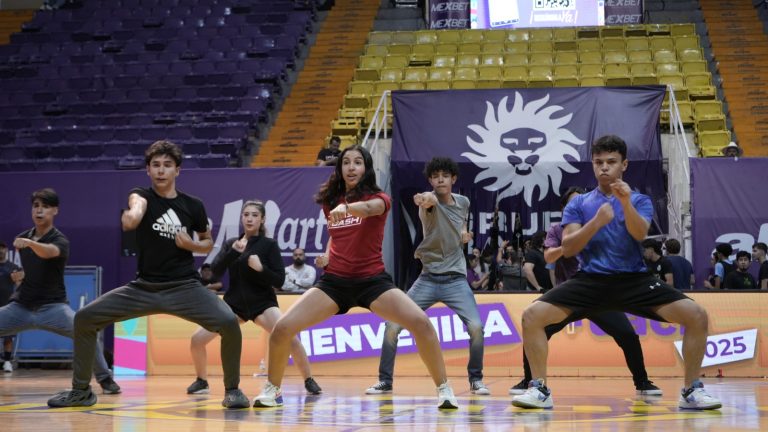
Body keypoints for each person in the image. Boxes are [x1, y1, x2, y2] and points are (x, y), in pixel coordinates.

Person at [511, 135, 721, 410]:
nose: (604, 168)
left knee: (696, 316)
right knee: (532, 316)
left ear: (624, 164)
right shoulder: (579, 203)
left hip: (634, 280)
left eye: (611, 162)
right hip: (590, 281)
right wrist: (596, 223)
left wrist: (624, 203)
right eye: (598, 162)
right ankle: (539, 388)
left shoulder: (640, 200)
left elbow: (639, 233)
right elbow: (570, 247)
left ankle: (691, 389)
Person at [47, 140, 249, 409]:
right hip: (143, 288)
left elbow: (207, 242)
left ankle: (233, 390)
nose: (161, 170)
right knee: (84, 318)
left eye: (167, 165)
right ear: (148, 170)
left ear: (177, 170)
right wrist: (132, 216)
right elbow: (136, 207)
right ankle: (81, 391)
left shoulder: (193, 205)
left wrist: (191, 245)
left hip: (185, 287)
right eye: (155, 165)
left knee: (228, 322)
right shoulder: (140, 195)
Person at [253, 145, 458, 409]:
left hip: (372, 281)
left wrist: (351, 207)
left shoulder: (381, 198)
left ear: (366, 168)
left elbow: (370, 208)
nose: (351, 167)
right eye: (346, 162)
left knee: (421, 324)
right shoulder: (330, 201)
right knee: (282, 329)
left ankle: (444, 388)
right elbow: (337, 236)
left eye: (358, 162)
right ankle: (273, 390)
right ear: (339, 169)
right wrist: (328, 254)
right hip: (335, 282)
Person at [509, 185, 661, 397]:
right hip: (569, 295)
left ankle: (643, 382)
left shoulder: (602, 225)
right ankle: (530, 381)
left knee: (627, 335)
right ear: (566, 210)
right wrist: (569, 245)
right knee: (536, 328)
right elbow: (549, 258)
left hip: (599, 292)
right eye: (573, 203)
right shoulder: (556, 230)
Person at [365, 157, 490, 397]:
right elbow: (429, 200)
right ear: (430, 180)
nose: (440, 179)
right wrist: (424, 199)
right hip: (428, 279)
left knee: (476, 327)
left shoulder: (463, 202)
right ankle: (385, 380)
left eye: (445, 175)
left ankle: (476, 379)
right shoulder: (427, 202)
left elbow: (460, 221)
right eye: (435, 176)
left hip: (455, 280)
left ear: (453, 179)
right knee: (392, 326)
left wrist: (464, 234)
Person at [187, 201, 321, 396]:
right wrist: (233, 252)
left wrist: (261, 269)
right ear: (241, 218)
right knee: (197, 339)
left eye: (254, 215)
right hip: (233, 305)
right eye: (246, 214)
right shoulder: (231, 243)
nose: (249, 218)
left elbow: (279, 279)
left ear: (262, 219)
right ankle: (201, 381)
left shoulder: (269, 245)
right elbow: (213, 274)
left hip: (263, 304)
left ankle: (309, 379)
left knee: (289, 337)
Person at [0, 189, 120, 392]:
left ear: (55, 210)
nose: (39, 211)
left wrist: (30, 243)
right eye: (36, 206)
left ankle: (105, 378)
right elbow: (33, 269)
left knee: (86, 331)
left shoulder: (60, 240)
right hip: (21, 306)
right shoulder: (23, 237)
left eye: (45, 206)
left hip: (53, 308)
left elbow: (49, 253)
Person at [0, 241, 22, 372]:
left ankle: (7, 362)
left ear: (6, 250)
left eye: (2, 248)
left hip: (8, 305)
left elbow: (20, 285)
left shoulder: (13, 267)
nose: (0, 251)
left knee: (8, 335)